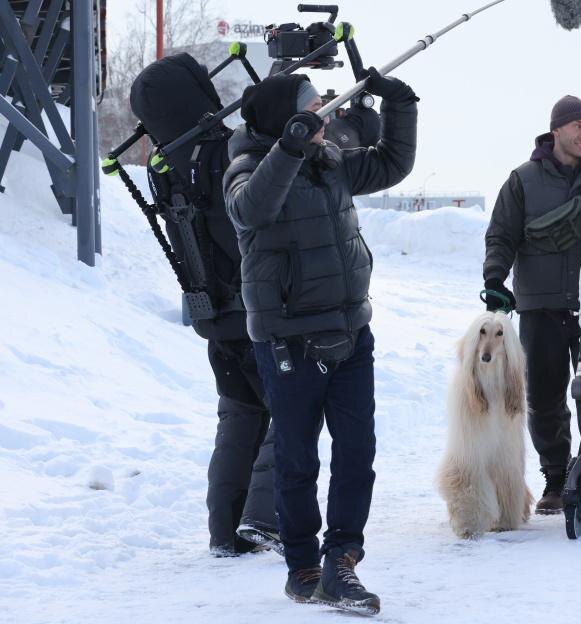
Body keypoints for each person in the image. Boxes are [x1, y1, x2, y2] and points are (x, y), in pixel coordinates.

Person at [224, 67, 417, 615]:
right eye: (313, 111)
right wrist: (286, 150)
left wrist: (401, 104)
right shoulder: (244, 166)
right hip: (288, 340)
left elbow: (392, 163)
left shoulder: (330, 162)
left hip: (351, 331)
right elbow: (249, 209)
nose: (326, 118)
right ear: (288, 121)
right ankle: (303, 566)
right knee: (297, 458)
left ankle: (342, 562)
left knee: (357, 453)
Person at [129, 53, 280, 558]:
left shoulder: (166, 164)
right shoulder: (225, 154)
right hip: (256, 307)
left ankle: (226, 532)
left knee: (239, 417)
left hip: (212, 312)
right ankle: (262, 519)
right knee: (287, 413)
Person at [483, 95, 581, 516]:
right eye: (578, 127)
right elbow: (501, 234)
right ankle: (557, 476)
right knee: (543, 395)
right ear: (557, 130)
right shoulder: (523, 180)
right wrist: (495, 278)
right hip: (539, 305)